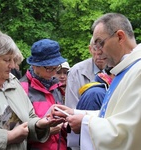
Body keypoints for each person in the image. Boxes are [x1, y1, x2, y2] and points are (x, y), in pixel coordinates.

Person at [51, 13, 141, 150]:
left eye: (100, 43)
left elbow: (130, 131)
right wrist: (75, 113)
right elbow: (113, 115)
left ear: (120, 37)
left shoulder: (138, 71)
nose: (98, 51)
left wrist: (85, 124)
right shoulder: (125, 69)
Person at [0, 31, 64, 150]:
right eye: (7, 60)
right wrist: (8, 137)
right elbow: (12, 131)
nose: (12, 66)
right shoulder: (24, 85)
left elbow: (27, 117)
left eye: (13, 60)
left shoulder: (13, 82)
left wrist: (39, 124)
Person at [20, 39, 67, 150]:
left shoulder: (56, 86)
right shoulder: (22, 89)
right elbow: (15, 131)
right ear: (35, 65)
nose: (54, 72)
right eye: (49, 68)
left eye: (57, 67)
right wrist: (46, 132)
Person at [65, 37, 107, 150]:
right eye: (95, 51)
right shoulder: (76, 71)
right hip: (81, 136)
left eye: (102, 52)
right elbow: (71, 108)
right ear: (90, 49)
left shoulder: (115, 70)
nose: (99, 56)